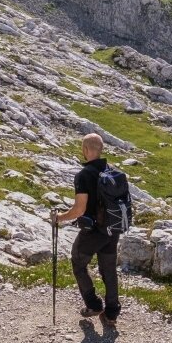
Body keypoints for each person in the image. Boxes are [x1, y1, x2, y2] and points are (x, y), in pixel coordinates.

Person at [49, 132, 126, 325]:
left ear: (85, 150)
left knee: (78, 261)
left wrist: (59, 218)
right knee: (109, 270)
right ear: (100, 150)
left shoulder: (84, 175)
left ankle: (93, 304)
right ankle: (111, 313)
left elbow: (79, 209)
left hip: (93, 231)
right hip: (113, 229)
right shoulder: (112, 172)